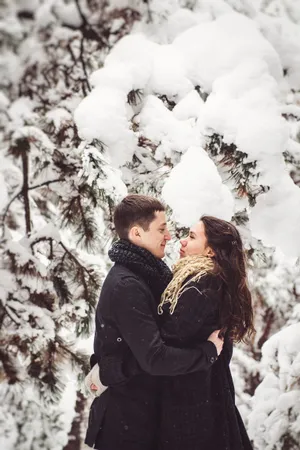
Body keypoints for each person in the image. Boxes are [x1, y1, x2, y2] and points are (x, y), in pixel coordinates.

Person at [85, 195, 224, 450]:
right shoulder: (127, 285)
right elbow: (154, 357)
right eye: (162, 229)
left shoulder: (154, 275)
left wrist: (109, 371)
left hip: (145, 419)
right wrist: (206, 353)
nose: (169, 236)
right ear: (137, 234)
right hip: (125, 425)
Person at [157, 216, 255, 450]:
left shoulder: (203, 286)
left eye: (191, 237)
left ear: (210, 250)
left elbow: (165, 343)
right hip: (203, 400)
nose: (181, 242)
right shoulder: (206, 282)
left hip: (191, 408)